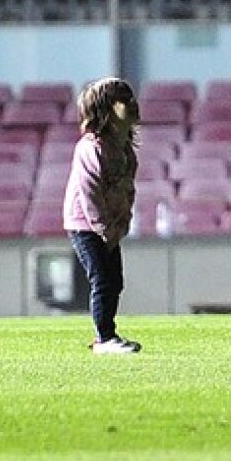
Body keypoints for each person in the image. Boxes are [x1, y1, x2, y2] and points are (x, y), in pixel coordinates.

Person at [62, 76, 142, 355]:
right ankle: (104, 338)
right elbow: (89, 193)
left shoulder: (125, 150)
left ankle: (107, 334)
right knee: (103, 280)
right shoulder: (91, 148)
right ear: (106, 110)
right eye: (123, 100)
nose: (132, 105)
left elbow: (127, 189)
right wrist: (104, 227)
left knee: (114, 281)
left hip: (110, 225)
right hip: (86, 225)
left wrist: (123, 221)